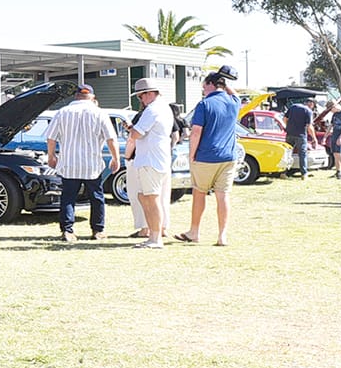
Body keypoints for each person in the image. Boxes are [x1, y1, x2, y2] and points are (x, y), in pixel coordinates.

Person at [46, 84, 119, 242]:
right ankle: (98, 230)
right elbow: (111, 138)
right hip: (91, 164)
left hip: (69, 163)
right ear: (92, 97)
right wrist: (116, 158)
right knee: (97, 197)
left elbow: (51, 138)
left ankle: (67, 230)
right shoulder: (99, 113)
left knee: (68, 197)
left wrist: (51, 156)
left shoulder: (62, 112)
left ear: (76, 96)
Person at [178, 68, 239, 246]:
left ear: (211, 85)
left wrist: (191, 155)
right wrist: (225, 82)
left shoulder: (204, 104)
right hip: (228, 156)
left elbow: (196, 132)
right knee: (223, 195)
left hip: (205, 156)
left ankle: (194, 231)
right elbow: (234, 93)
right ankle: (222, 235)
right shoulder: (234, 102)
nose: (203, 90)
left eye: (204, 86)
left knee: (199, 192)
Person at [125, 79, 173, 248]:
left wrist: (130, 129)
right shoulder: (164, 107)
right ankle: (153, 235)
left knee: (151, 199)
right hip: (155, 159)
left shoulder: (152, 109)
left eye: (141, 96)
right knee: (145, 197)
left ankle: (155, 238)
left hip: (150, 160)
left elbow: (136, 134)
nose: (141, 100)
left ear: (149, 93)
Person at [282, 98, 317, 178]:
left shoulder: (293, 107)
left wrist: (289, 127)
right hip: (301, 135)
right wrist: (314, 138)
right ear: (311, 104)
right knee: (302, 154)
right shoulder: (308, 111)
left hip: (290, 134)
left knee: (287, 153)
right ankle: (304, 174)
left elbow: (284, 119)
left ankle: (284, 172)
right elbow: (309, 127)